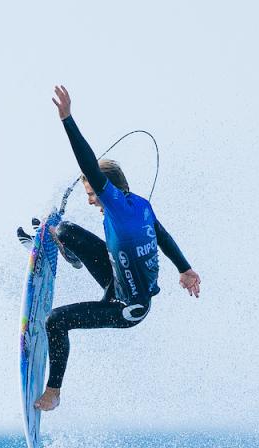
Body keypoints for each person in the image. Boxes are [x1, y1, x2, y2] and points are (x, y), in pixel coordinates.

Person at [23, 85, 200, 413]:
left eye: (92, 193)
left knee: (56, 321)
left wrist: (67, 119)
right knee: (65, 230)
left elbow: (89, 165)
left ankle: (54, 392)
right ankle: (67, 250)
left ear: (106, 189)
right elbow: (161, 234)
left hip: (126, 306)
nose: (91, 200)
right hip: (115, 276)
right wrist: (185, 269)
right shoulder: (141, 205)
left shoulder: (115, 204)